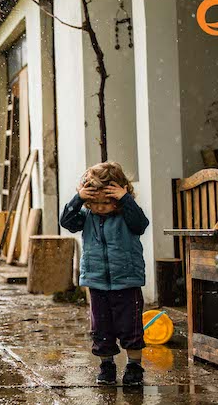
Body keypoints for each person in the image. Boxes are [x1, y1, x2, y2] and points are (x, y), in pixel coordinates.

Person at [59, 162, 149, 387]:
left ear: (118, 195)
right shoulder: (87, 216)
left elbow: (141, 224)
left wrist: (126, 199)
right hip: (97, 281)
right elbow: (66, 222)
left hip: (127, 281)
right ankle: (106, 365)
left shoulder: (127, 215)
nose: (99, 207)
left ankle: (134, 366)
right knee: (101, 328)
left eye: (106, 202)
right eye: (94, 202)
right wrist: (78, 198)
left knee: (131, 327)